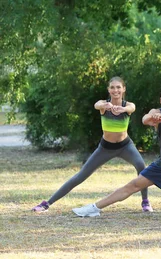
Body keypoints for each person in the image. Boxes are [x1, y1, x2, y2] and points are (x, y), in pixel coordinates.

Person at [72, 83, 161, 218]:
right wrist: (151, 118)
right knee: (133, 185)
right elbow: (145, 119)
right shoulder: (157, 112)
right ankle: (94, 208)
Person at [32, 77, 152, 213]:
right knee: (81, 175)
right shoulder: (104, 104)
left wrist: (123, 110)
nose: (115, 90)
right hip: (105, 148)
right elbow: (97, 104)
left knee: (141, 167)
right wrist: (104, 106)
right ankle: (47, 203)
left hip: (125, 146)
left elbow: (132, 107)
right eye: (112, 87)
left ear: (123, 89)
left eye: (118, 87)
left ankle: (145, 202)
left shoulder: (127, 106)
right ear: (108, 90)